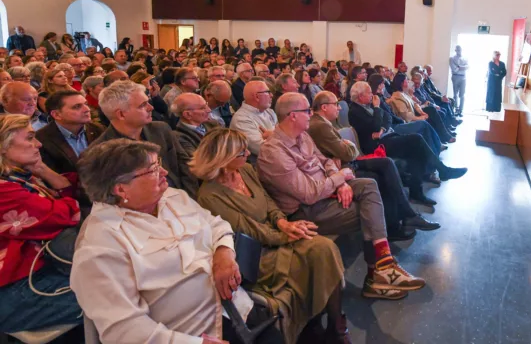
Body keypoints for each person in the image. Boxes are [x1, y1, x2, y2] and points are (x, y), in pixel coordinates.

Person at [71, 139, 278, 344]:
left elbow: (217, 225)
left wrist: (224, 253)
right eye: (152, 169)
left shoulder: (172, 197)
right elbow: (124, 329)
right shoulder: (99, 246)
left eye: (159, 163)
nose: (165, 173)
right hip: (191, 334)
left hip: (238, 310)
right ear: (121, 189)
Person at [259, 93, 426, 300]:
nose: (311, 114)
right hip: (305, 211)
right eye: (307, 111)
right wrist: (339, 179)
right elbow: (309, 194)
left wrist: (339, 182)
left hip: (325, 192)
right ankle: (376, 276)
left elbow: (326, 160)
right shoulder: (273, 151)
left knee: (369, 185)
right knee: (370, 212)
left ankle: (383, 263)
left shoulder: (302, 135)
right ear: (292, 115)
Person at [192, 128, 350, 344]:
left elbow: (267, 201)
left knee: (324, 248)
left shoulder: (245, 170)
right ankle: (318, 326)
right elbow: (249, 230)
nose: (248, 153)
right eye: (241, 152)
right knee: (312, 254)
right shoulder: (209, 196)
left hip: (274, 233)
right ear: (224, 158)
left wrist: (284, 222)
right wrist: (287, 236)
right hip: (256, 252)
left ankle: (335, 326)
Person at [309, 91, 439, 239]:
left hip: (346, 163)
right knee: (382, 171)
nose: (339, 108)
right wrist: (347, 145)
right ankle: (398, 223)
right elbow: (349, 153)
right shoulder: (320, 125)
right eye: (336, 105)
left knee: (387, 164)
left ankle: (402, 219)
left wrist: (343, 149)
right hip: (342, 168)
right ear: (324, 107)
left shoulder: (323, 123)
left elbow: (346, 150)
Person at [0, 114, 82, 334]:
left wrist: (43, 169)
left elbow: (70, 190)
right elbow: (67, 214)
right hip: (14, 290)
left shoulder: (20, 177)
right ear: (4, 147)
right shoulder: (4, 190)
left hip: (40, 272)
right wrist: (67, 201)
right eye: (29, 138)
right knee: (115, 294)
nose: (38, 144)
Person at [348, 82, 467, 205]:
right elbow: (376, 124)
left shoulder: (369, 105)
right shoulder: (355, 111)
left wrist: (381, 129)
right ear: (360, 96)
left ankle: (417, 192)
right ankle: (442, 171)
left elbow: (387, 118)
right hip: (376, 146)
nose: (372, 94)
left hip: (385, 136)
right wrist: (377, 109)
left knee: (416, 151)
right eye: (368, 92)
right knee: (416, 139)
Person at [93, 80, 198, 198]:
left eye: (148, 102)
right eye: (143, 105)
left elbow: (185, 167)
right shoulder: (101, 151)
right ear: (121, 114)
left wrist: (190, 199)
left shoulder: (161, 129)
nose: (151, 107)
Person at [36, 90, 104, 175]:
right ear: (57, 114)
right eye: (77, 107)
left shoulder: (97, 129)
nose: (87, 109)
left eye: (86, 104)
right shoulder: (41, 140)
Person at [231, 80, 277, 157]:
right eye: (268, 92)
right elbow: (263, 149)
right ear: (257, 96)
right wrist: (276, 135)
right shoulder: (241, 119)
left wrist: (273, 136)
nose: (271, 95)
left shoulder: (269, 112)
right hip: (257, 165)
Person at [450, 45, 469, 116]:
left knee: (462, 94)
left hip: (463, 77)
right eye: (457, 50)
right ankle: (456, 109)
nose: (459, 51)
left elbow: (468, 67)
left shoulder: (465, 58)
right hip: (455, 77)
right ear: (455, 50)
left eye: (460, 49)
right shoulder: (452, 58)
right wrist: (461, 67)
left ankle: (461, 110)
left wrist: (460, 67)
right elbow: (454, 69)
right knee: (455, 94)